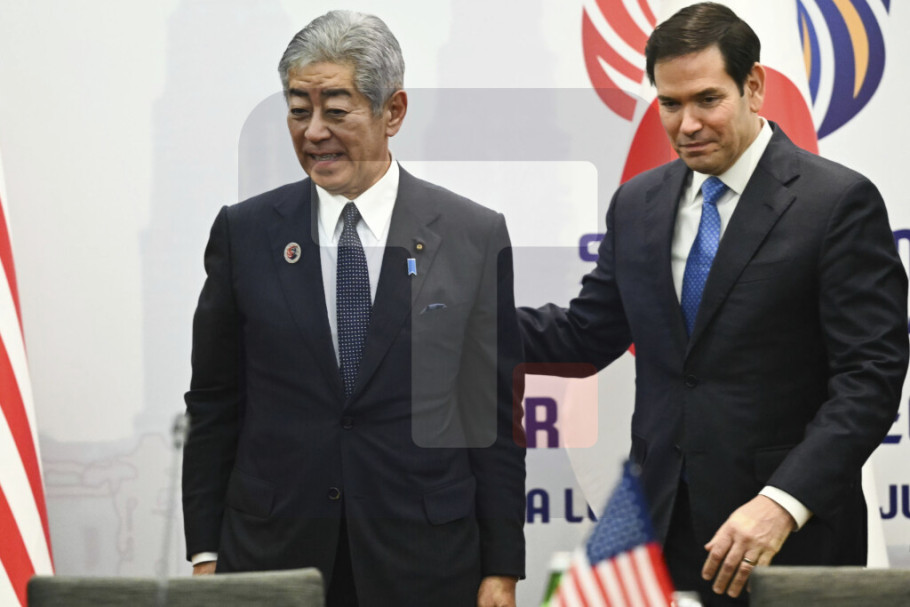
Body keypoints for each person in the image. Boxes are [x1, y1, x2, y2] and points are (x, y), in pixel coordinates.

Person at [518, 2, 907, 605]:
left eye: (707, 99)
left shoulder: (837, 203)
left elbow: (870, 378)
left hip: (789, 539)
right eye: (670, 104)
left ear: (754, 86)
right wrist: (459, 313)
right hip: (663, 532)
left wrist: (782, 503)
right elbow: (585, 335)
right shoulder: (636, 203)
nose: (687, 124)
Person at [181, 11, 526, 607]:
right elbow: (214, 402)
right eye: (298, 111)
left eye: (336, 111)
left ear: (393, 111)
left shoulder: (472, 235)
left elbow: (492, 417)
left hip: (424, 562)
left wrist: (501, 568)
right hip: (272, 558)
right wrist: (206, 552)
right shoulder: (245, 233)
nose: (313, 132)